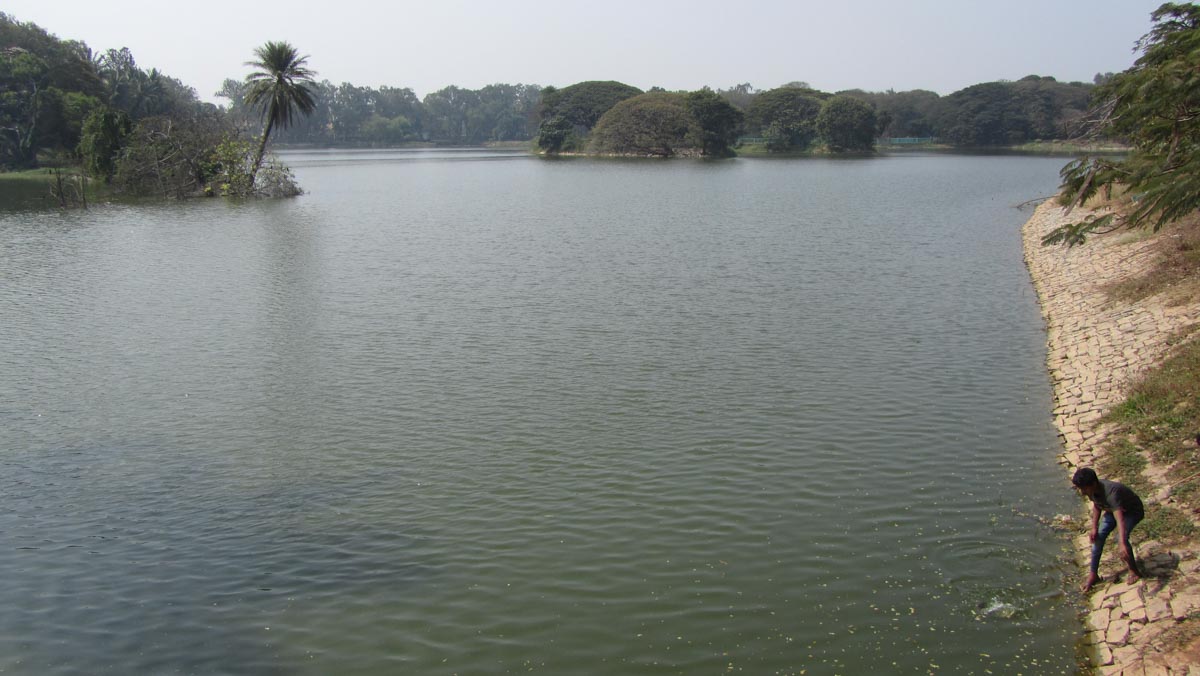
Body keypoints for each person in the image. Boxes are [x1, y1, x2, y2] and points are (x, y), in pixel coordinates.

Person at [1072, 467, 1145, 592]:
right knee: (1098, 538)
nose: (1082, 491)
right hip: (1111, 510)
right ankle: (1093, 574)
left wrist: (1122, 542)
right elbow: (1097, 506)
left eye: (1083, 488)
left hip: (1130, 512)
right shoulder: (1092, 491)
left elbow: (1120, 519)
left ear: (1093, 484)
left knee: (1120, 537)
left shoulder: (1112, 493)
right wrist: (1094, 527)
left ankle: (1134, 570)